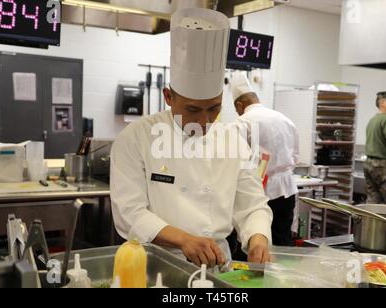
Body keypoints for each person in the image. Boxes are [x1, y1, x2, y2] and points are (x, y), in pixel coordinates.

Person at [110, 8, 273, 267]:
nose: (204, 121)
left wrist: (258, 237)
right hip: (156, 264)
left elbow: (252, 204)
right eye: (193, 109)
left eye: (214, 108)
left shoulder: (232, 141)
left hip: (218, 266)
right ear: (168, 97)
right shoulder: (136, 138)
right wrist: (184, 239)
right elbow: (129, 214)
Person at [230, 73, 300, 246]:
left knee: (257, 242)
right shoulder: (285, 119)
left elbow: (234, 161)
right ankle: (285, 273)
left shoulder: (241, 123)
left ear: (239, 104)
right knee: (282, 240)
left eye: (236, 108)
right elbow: (296, 155)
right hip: (286, 190)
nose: (237, 112)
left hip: (258, 192)